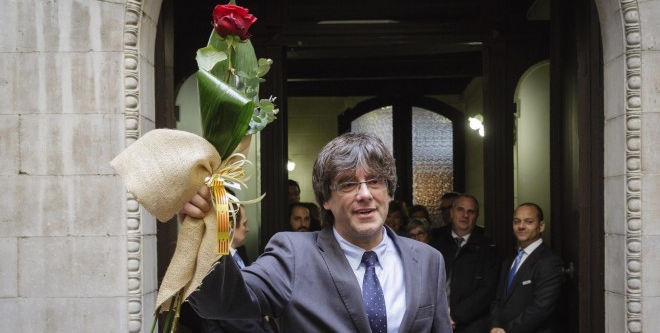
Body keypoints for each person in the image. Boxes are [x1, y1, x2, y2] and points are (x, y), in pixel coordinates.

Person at [181, 132, 452, 332]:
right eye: (348, 184)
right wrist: (205, 232)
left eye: (375, 181)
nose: (365, 194)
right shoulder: (293, 255)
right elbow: (220, 303)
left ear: (389, 191)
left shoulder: (428, 260)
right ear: (325, 199)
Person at [179, 203, 274, 332]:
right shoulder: (215, 262)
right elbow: (233, 315)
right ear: (230, 226)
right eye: (244, 224)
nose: (248, 229)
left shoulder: (239, 254)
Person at [489, 203, 565, 333]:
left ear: (541, 226)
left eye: (528, 222)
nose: (521, 226)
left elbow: (541, 308)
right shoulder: (509, 261)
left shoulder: (550, 261)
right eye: (516, 221)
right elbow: (498, 300)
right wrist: (495, 326)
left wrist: (507, 330)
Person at [430, 194, 499, 332]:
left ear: (477, 216)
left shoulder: (488, 246)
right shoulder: (436, 242)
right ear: (451, 213)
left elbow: (487, 289)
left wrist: (455, 317)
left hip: (472, 324)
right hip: (435, 322)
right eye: (460, 209)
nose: (465, 215)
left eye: (471, 211)